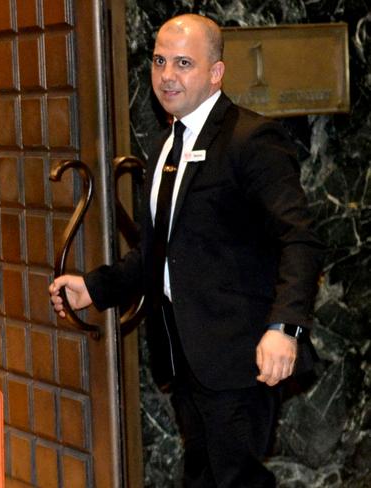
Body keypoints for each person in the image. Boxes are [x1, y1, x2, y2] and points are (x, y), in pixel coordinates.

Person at [50, 14, 324, 487]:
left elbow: (300, 237)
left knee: (237, 480)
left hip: (241, 358)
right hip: (184, 359)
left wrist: (285, 327)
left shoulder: (251, 140)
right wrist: (94, 287)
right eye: (159, 61)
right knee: (202, 477)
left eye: (183, 63)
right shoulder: (165, 146)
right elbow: (160, 254)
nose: (166, 76)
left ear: (216, 73)